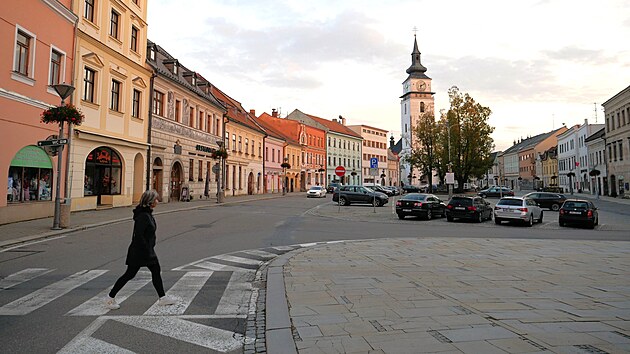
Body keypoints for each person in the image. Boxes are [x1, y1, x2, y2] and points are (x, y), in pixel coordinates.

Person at [105, 189, 175, 309]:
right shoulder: (143, 216)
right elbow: (139, 235)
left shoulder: (146, 214)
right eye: (156, 199)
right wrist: (147, 250)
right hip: (140, 252)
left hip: (144, 250)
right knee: (129, 274)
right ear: (150, 202)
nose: (157, 201)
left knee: (155, 271)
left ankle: (162, 297)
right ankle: (110, 298)